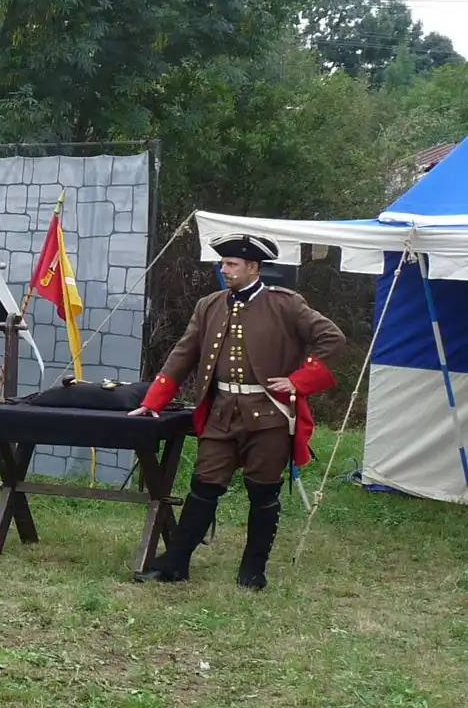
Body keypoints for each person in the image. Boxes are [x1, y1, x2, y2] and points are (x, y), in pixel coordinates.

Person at [129, 233, 345, 589]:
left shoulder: (285, 304)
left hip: (269, 414)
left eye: (232, 264)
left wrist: (298, 380)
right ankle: (176, 563)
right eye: (223, 263)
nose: (224, 269)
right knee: (203, 485)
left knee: (263, 492)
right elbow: (184, 353)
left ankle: (253, 570)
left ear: (253, 267)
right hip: (222, 412)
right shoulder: (210, 305)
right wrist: (154, 400)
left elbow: (332, 339)